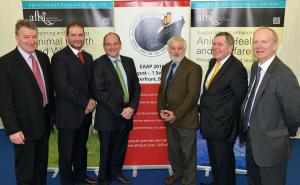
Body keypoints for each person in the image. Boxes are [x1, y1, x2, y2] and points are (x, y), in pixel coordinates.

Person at [241, 27, 300, 185]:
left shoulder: (284, 75)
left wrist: (281, 134)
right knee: (254, 181)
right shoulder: (255, 67)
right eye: (255, 42)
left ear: (275, 45)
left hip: (272, 147)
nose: (258, 46)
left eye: (264, 42)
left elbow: (294, 113)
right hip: (252, 142)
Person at [0, 19, 54, 185]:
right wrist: (13, 129)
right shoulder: (5, 63)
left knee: (40, 167)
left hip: (43, 124)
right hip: (23, 128)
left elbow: (47, 90)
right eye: (26, 37)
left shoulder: (44, 58)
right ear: (17, 37)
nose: (31, 41)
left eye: (34, 37)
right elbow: (4, 101)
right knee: (26, 172)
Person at [199, 32, 248, 185]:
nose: (215, 47)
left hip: (223, 126)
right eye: (214, 44)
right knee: (215, 160)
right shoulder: (214, 62)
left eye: (220, 44)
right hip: (210, 122)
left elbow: (240, 99)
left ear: (230, 47)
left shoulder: (236, 68)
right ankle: (218, 182)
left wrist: (224, 119)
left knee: (224, 162)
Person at [51, 22, 96, 185]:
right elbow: (63, 87)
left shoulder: (88, 57)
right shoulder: (59, 57)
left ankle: (80, 175)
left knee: (80, 148)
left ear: (84, 36)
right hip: (68, 114)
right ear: (67, 36)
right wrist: (87, 103)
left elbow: (92, 84)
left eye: (80, 35)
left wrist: (93, 100)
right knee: (66, 152)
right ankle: (67, 181)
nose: (77, 38)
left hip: (85, 115)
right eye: (73, 35)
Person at [93, 32, 141, 185]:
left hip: (127, 114)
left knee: (120, 149)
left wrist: (132, 107)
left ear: (120, 45)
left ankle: (116, 173)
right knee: (106, 150)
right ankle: (103, 179)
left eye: (115, 43)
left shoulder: (129, 61)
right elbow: (100, 92)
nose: (112, 47)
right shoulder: (98, 64)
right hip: (108, 116)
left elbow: (136, 87)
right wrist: (120, 111)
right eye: (108, 44)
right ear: (104, 47)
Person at [157, 36, 202, 185]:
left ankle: (189, 181)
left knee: (188, 154)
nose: (176, 52)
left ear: (184, 49)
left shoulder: (194, 68)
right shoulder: (165, 67)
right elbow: (161, 92)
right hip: (169, 120)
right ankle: (177, 173)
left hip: (185, 119)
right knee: (174, 151)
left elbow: (192, 96)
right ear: (168, 50)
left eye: (179, 48)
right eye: (173, 48)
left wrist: (175, 114)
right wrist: (161, 111)